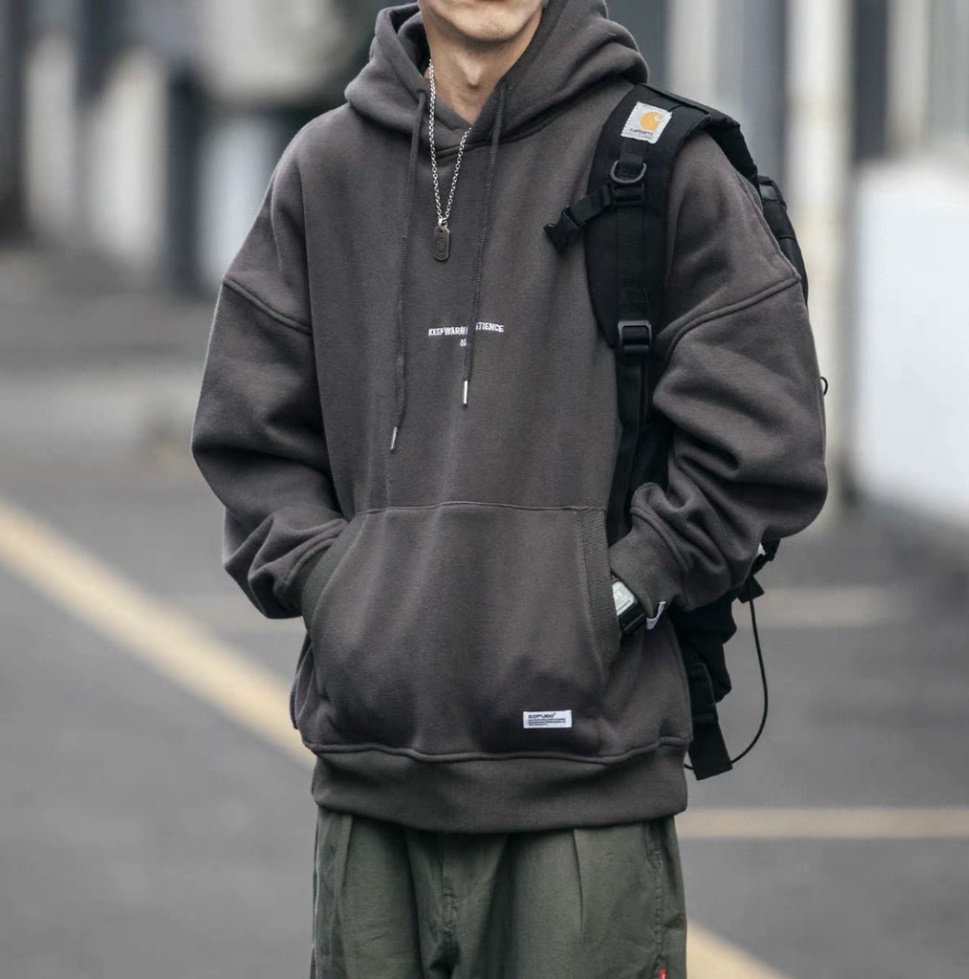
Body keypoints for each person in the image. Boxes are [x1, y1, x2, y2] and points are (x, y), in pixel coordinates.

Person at [191, 1, 829, 975]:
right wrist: (342, 588)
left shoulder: (664, 167)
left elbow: (764, 436)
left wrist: (613, 594)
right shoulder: (326, 169)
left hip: (587, 795)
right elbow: (250, 432)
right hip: (371, 790)